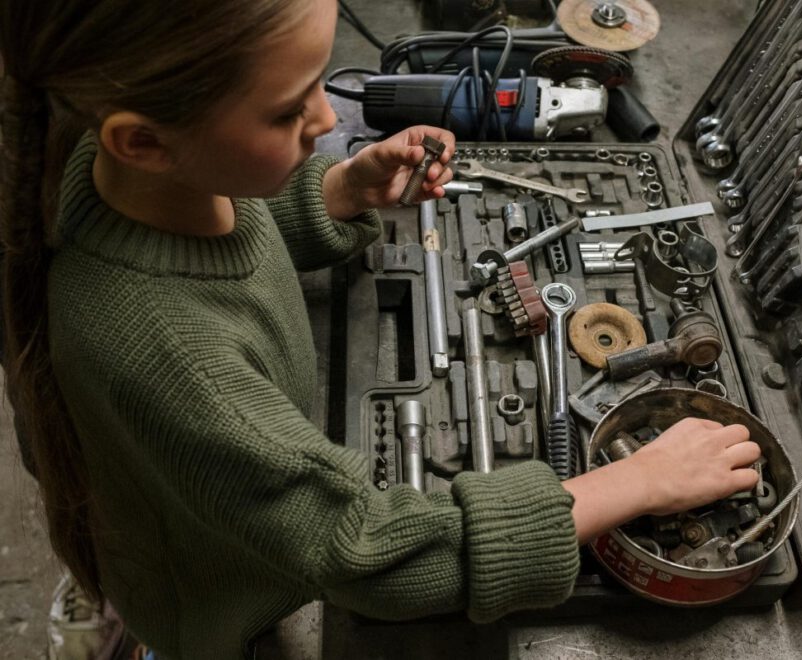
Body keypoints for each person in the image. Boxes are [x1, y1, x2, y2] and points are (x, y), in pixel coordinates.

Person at [0, 0, 762, 657]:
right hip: (215, 594)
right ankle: (133, 630)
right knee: (181, 623)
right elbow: (366, 554)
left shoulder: (123, 173)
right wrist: (635, 480)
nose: (331, 119)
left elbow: (235, 227)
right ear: (143, 140)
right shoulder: (176, 361)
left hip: (207, 483)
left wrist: (337, 190)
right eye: (288, 109)